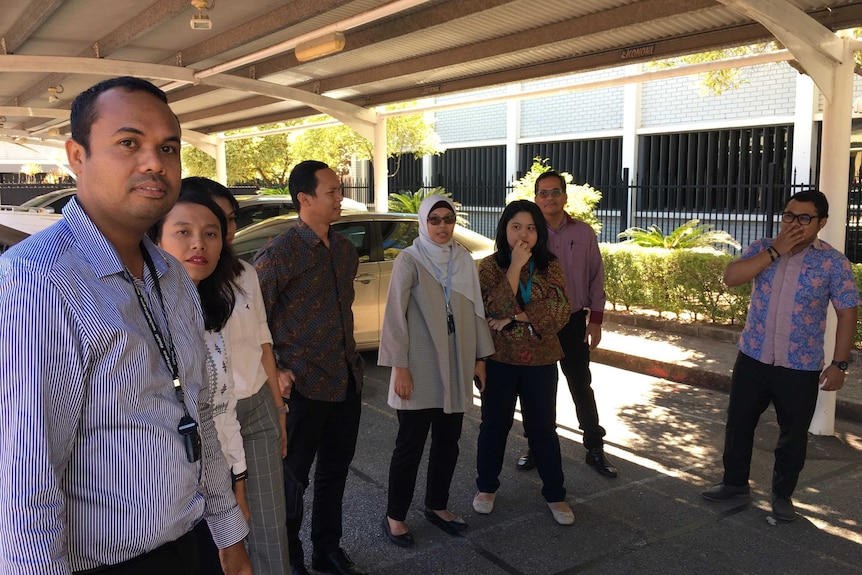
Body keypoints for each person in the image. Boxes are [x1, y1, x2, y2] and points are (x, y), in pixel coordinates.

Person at [0, 77, 250, 574]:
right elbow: (25, 477)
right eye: (129, 143)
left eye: (168, 147)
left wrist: (227, 531)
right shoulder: (36, 283)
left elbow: (196, 409)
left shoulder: (172, 275)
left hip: (191, 541)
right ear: (76, 155)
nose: (155, 161)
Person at [701, 190, 860, 522]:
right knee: (739, 424)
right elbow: (731, 278)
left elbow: (847, 313)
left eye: (805, 218)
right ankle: (733, 484)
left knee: (793, 434)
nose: (795, 223)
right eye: (789, 215)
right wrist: (776, 250)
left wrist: (839, 363)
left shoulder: (833, 262)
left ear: (822, 222)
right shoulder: (762, 248)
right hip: (754, 357)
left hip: (799, 367)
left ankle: (782, 495)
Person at [255, 160, 367, 575]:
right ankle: (289, 558)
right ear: (304, 199)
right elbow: (251, 318)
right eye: (332, 191)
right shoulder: (279, 254)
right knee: (292, 480)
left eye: (340, 190)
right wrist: (278, 369)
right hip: (302, 386)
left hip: (345, 379)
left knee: (335, 472)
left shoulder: (343, 249)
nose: (340, 198)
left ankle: (327, 550)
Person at [378, 195, 495, 546]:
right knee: (410, 445)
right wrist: (399, 366)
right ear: (423, 223)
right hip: (419, 364)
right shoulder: (409, 260)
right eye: (435, 220)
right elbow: (395, 317)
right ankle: (395, 516)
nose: (442, 226)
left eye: (448, 219)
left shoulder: (462, 259)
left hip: (456, 361)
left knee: (448, 441)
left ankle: (437, 505)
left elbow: (475, 311)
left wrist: (479, 357)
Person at [148, 185, 251, 573]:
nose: (199, 243)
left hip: (210, 491)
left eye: (211, 233)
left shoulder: (209, 312)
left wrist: (236, 483)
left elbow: (219, 413)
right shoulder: (138, 319)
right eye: (182, 231)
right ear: (155, 239)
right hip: (156, 509)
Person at [197, 177, 292, 575]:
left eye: (229, 219)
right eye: (214, 219)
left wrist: (279, 409)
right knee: (222, 532)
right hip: (207, 420)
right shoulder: (176, 283)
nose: (224, 229)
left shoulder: (245, 273)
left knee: (271, 524)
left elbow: (263, 344)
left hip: (256, 408)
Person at [474, 200, 574, 525]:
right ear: (505, 229)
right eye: (516, 226)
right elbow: (492, 307)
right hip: (500, 360)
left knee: (543, 429)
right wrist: (515, 266)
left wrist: (514, 317)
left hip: (542, 361)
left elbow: (559, 312)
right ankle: (486, 487)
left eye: (531, 227)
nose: (524, 233)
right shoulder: (489, 266)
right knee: (494, 426)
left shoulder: (551, 265)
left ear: (539, 232)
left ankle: (555, 494)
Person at [517, 170, 618, 478]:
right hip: (537, 325)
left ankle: (594, 446)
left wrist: (596, 321)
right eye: (544, 193)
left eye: (555, 192)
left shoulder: (584, 233)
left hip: (574, 322)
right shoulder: (528, 234)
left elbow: (596, 277)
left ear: (565, 195)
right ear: (536, 198)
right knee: (538, 390)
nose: (550, 198)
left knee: (580, 384)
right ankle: (537, 445)